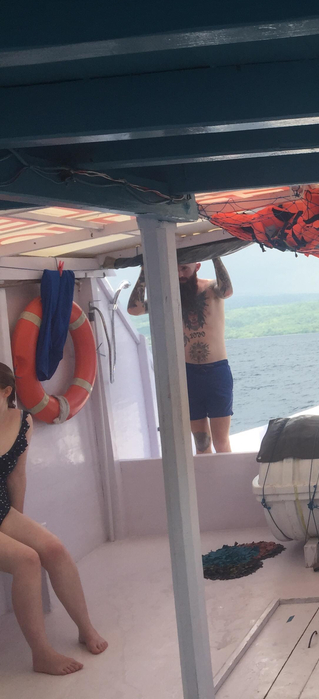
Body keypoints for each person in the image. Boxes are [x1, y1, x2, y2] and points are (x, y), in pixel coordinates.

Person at [0, 363, 108, 675]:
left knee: (54, 549)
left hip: (2, 508)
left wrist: (19, 524)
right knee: (27, 560)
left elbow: (17, 476)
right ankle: (42, 653)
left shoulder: (22, 421)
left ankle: (85, 628)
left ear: (6, 392)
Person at [128, 257, 235, 453]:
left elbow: (227, 290)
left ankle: (227, 472)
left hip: (216, 372)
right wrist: (144, 271)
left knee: (221, 441)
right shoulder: (168, 297)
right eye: (176, 269)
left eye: (185, 268)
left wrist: (215, 255)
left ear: (197, 266)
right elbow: (134, 309)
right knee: (201, 442)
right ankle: (205, 474)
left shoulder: (211, 289)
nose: (180, 274)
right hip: (188, 374)